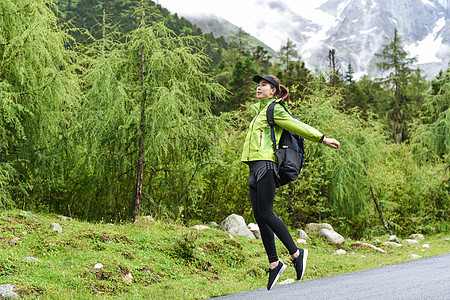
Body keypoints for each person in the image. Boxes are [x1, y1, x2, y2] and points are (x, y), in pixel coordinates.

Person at [241, 75, 340, 290]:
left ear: (274, 91)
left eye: (264, 85)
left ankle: (297, 253)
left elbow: (297, 126)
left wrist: (322, 138)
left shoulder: (275, 109)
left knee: (267, 213)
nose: (259, 88)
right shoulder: (259, 110)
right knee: (259, 216)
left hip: (267, 164)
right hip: (253, 167)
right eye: (258, 85)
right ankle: (275, 263)